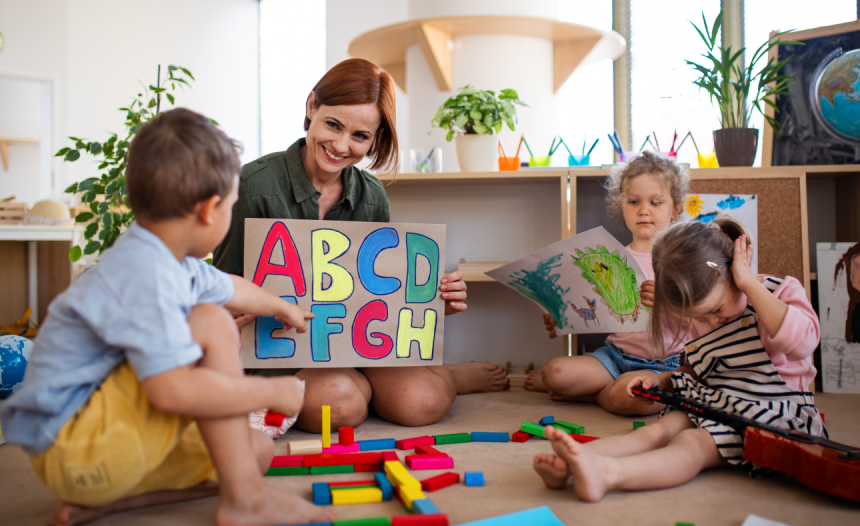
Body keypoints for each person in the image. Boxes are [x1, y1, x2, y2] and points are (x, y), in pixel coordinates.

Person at [0, 109, 334, 526]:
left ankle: (114, 504)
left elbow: (231, 286)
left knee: (254, 452)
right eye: (231, 206)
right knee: (210, 321)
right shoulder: (147, 276)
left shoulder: (160, 254)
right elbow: (172, 393)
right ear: (210, 210)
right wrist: (271, 393)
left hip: (102, 461)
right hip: (78, 447)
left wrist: (284, 308)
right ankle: (245, 500)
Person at [213, 58, 509, 432]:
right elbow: (221, 289)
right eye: (333, 125)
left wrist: (432, 302)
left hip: (351, 344)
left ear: (375, 139)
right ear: (311, 107)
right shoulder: (252, 187)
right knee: (341, 406)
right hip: (279, 350)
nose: (340, 146)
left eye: (360, 136)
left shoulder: (371, 196)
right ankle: (369, 388)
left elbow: (375, 297)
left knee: (422, 402)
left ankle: (446, 377)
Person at [533, 218, 825, 502]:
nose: (712, 320)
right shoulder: (700, 313)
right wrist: (662, 380)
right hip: (717, 400)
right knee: (659, 430)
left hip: (774, 416)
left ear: (735, 272)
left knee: (693, 444)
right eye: (700, 316)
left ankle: (609, 474)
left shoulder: (781, 292)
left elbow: (801, 344)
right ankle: (578, 462)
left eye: (717, 308)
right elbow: (701, 367)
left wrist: (750, 285)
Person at [525, 151, 696, 415]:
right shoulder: (611, 259)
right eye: (634, 201)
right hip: (614, 356)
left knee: (639, 398)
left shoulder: (685, 259)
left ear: (676, 208)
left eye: (656, 202)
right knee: (555, 373)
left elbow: (704, 318)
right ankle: (606, 389)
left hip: (665, 365)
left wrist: (667, 303)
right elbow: (592, 307)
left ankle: (594, 397)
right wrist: (563, 315)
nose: (644, 210)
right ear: (621, 206)